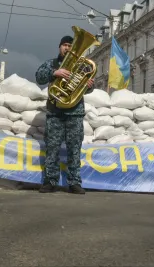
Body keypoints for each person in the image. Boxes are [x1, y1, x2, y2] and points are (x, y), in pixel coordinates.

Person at [35, 35, 94, 195]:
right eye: (64, 45)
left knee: (74, 149)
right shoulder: (51, 63)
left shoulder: (81, 65)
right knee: (52, 148)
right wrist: (55, 72)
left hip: (74, 112)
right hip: (55, 112)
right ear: (59, 47)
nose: (67, 48)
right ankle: (50, 181)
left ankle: (74, 182)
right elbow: (39, 77)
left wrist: (89, 85)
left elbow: (86, 89)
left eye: (70, 45)